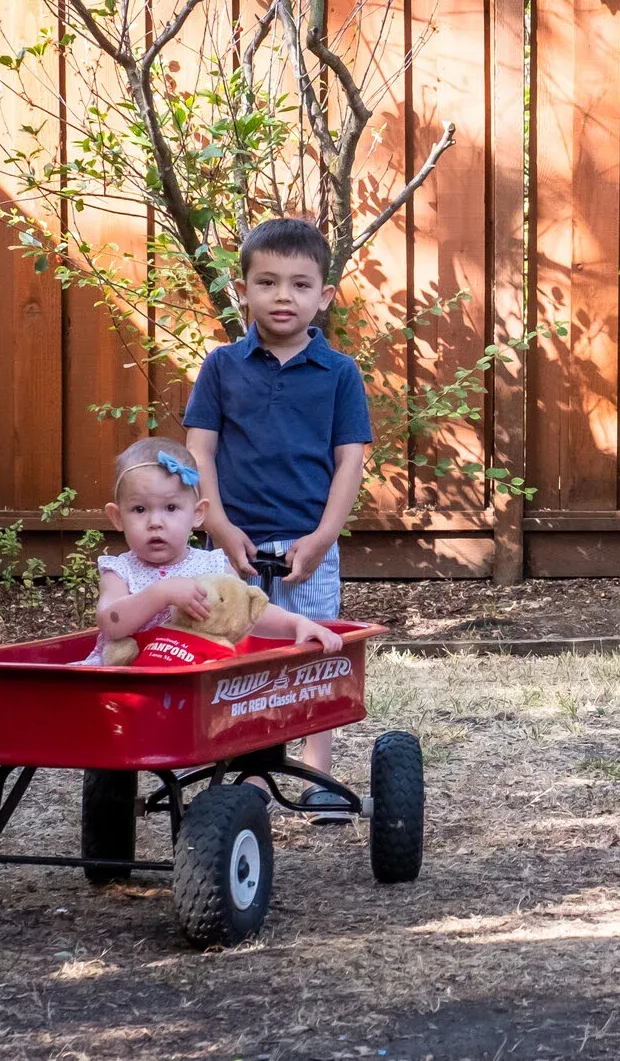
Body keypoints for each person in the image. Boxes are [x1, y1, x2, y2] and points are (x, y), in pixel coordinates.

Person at [187, 217, 374, 815]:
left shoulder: (340, 374)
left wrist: (322, 537)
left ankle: (318, 779)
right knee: (234, 656)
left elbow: (350, 462)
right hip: (233, 545)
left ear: (323, 296)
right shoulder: (222, 367)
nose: (283, 296)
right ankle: (244, 780)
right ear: (243, 289)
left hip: (305, 547)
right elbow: (200, 451)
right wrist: (217, 525)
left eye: (299, 284)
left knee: (316, 655)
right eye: (267, 282)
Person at [85, 435, 342, 666]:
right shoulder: (120, 571)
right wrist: (161, 594)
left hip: (196, 675)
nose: (155, 522)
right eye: (139, 509)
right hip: (129, 684)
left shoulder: (212, 566)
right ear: (117, 517)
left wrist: (296, 623)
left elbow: (246, 612)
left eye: (171, 508)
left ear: (197, 514)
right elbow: (111, 623)